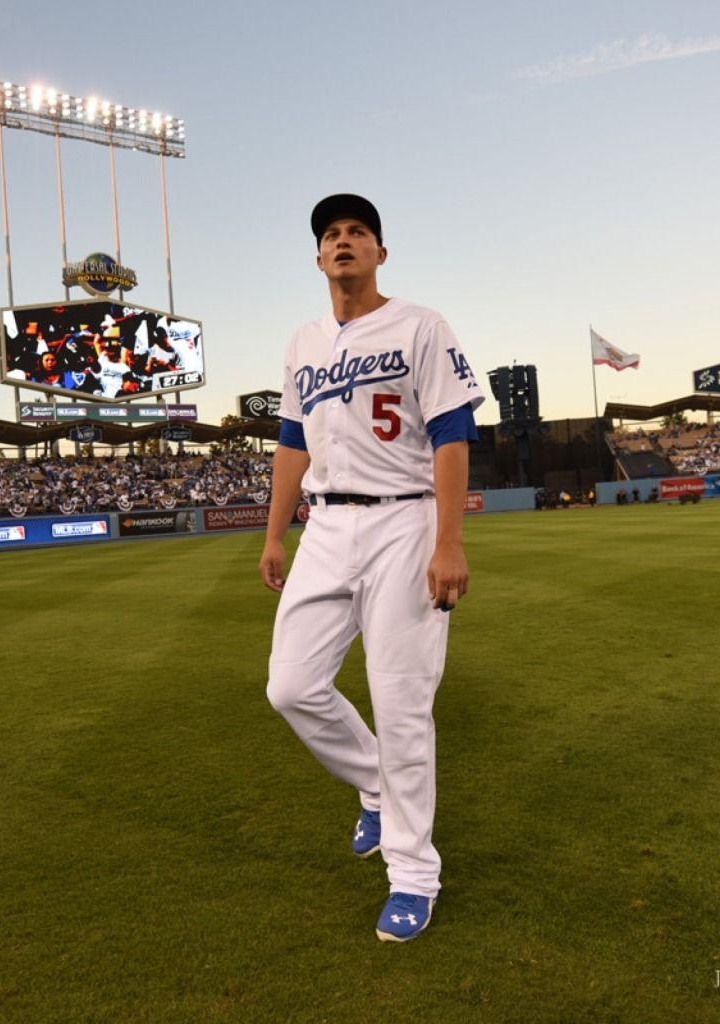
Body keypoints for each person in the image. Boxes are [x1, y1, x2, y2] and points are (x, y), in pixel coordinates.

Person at [260, 194, 484, 944]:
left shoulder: (421, 325)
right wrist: (272, 536)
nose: (345, 241)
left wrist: (447, 540)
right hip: (325, 523)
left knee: (401, 703)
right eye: (332, 234)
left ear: (381, 253)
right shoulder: (303, 341)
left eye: (358, 232)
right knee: (290, 686)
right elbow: (293, 441)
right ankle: (374, 785)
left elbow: (453, 432)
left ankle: (413, 874)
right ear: (318, 258)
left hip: (403, 517)